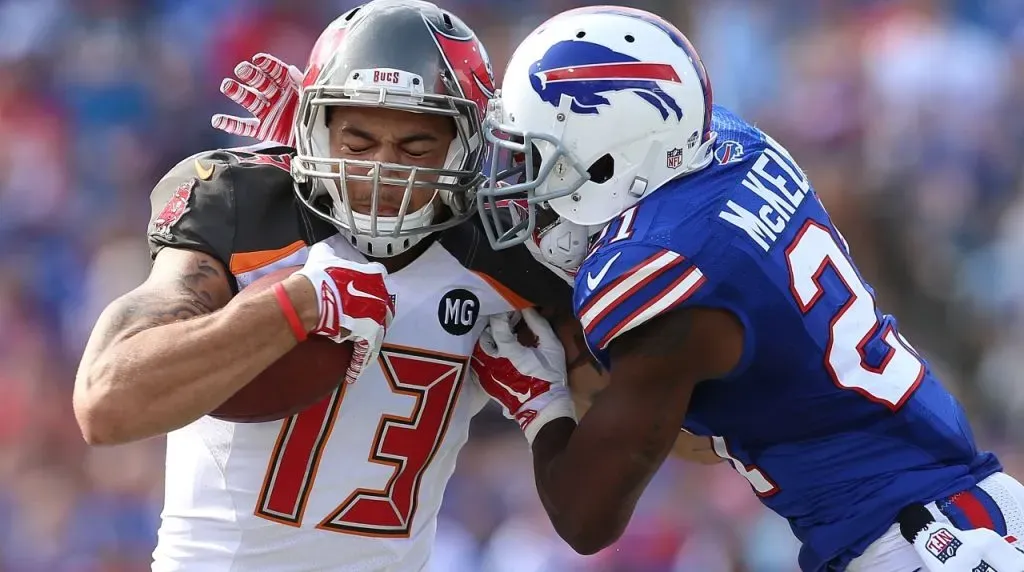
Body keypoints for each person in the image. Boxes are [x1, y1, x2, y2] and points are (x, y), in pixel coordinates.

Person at [71, 1, 623, 569]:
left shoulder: (509, 255)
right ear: (316, 127)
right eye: (357, 144)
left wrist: (552, 407)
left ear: (467, 144)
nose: (383, 170)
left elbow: (656, 461)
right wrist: (295, 304)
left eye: (415, 148)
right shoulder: (247, 208)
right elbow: (105, 403)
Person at [472, 5, 1024, 571]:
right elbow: (699, 440)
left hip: (920, 545)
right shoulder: (731, 144)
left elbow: (585, 517)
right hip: (964, 508)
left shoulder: (660, 274)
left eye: (537, 156)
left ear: (612, 154)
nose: (520, 180)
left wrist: (536, 402)